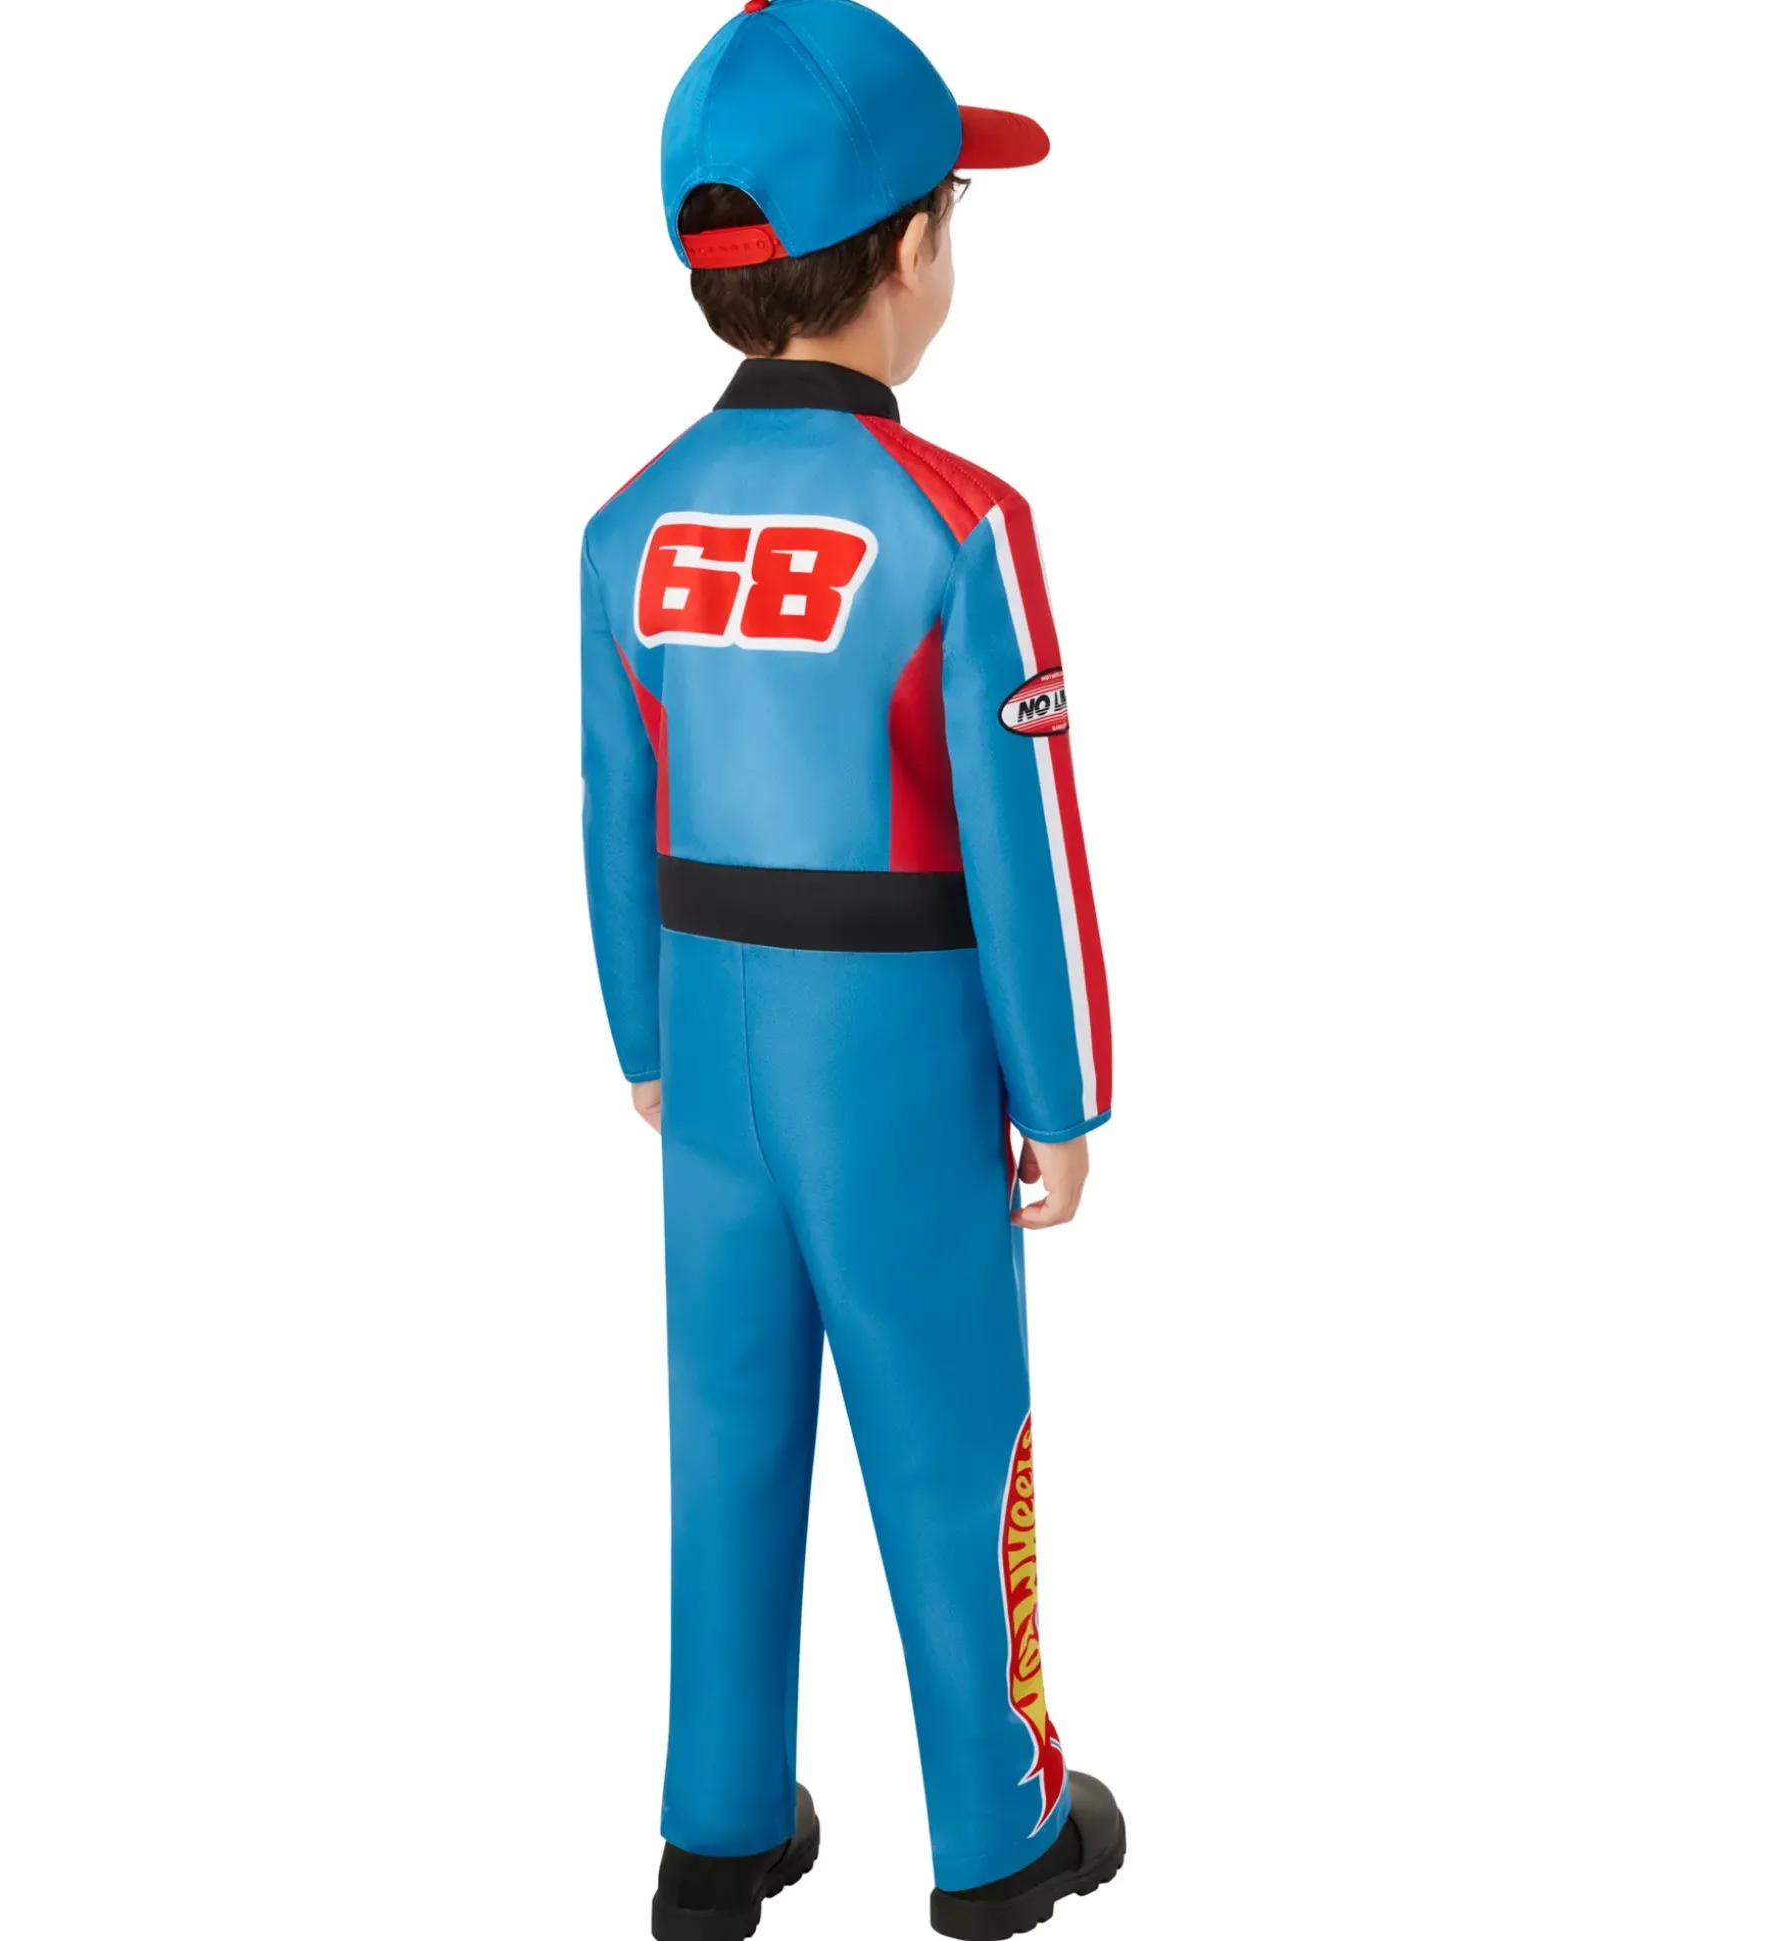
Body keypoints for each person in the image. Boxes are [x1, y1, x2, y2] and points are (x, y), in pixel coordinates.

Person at [580, 5, 1124, 1935]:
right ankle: (1000, 1829)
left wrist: (643, 1034)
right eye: (952, 217)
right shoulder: (963, 526)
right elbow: (1024, 840)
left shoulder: (629, 525)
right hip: (897, 1047)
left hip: (708, 1043)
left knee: (727, 1430)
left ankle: (718, 1824)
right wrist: (1062, 1093)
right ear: (907, 247)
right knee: (949, 1430)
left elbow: (613, 795)